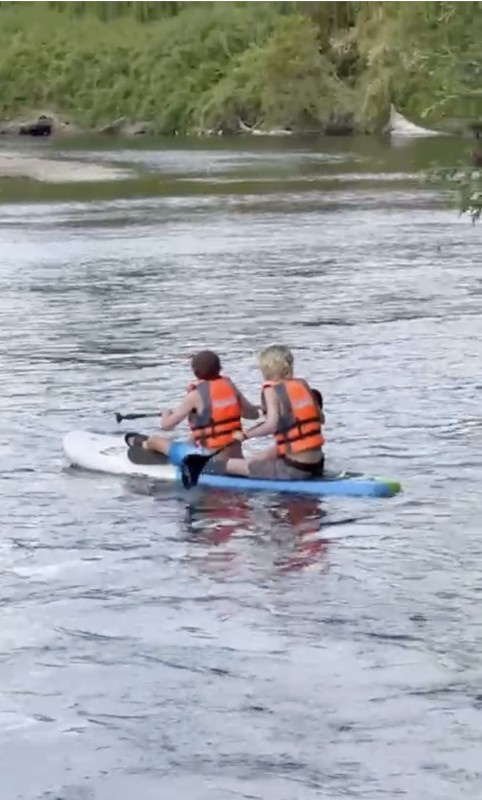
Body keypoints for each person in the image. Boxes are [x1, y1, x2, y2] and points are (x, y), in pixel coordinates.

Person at [125, 350, 259, 459]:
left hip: (206, 458)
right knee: (194, 437)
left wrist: (166, 414)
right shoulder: (230, 387)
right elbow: (253, 415)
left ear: (195, 372)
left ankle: (142, 444)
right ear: (219, 368)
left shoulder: (194, 396)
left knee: (154, 439)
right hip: (235, 455)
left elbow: (166, 426)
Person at [225, 344, 325, 480]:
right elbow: (320, 419)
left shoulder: (270, 390)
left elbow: (272, 425)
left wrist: (244, 435)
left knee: (225, 465)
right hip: (316, 465)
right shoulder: (302, 384)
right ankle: (254, 463)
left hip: (293, 469)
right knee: (258, 457)